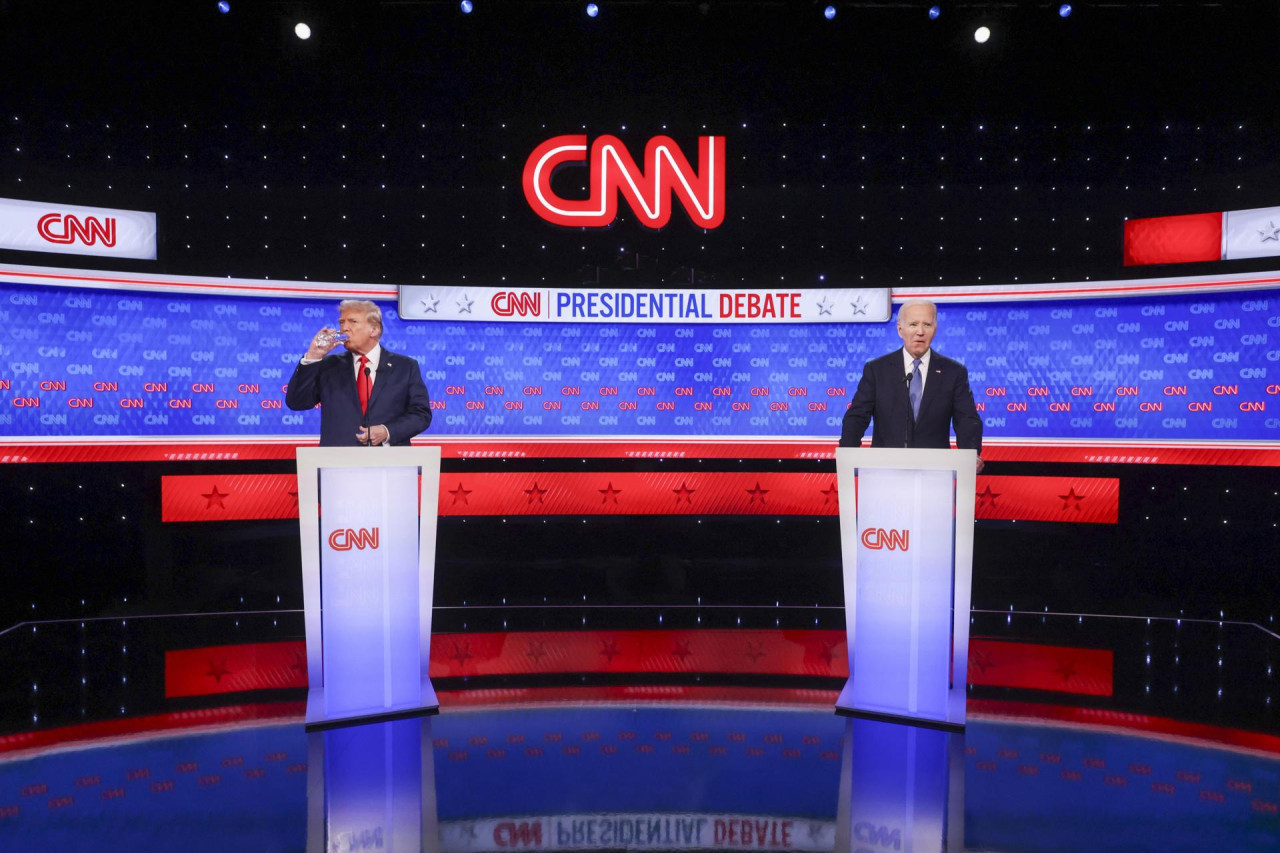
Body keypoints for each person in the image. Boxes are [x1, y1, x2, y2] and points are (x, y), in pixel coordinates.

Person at [839, 299, 984, 471]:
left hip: (936, 471)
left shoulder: (954, 372)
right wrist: (847, 453)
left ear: (935, 329)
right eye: (913, 324)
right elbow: (857, 417)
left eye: (927, 324)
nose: (920, 332)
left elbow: (967, 420)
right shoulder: (877, 370)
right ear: (900, 329)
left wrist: (969, 454)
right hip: (884, 470)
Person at [285, 299, 432, 446]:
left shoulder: (405, 367)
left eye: (352, 322)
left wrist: (387, 431)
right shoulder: (328, 365)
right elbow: (297, 402)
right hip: (337, 462)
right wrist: (313, 356)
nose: (344, 328)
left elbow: (421, 414)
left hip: (389, 461)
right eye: (342, 322)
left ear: (374, 330)